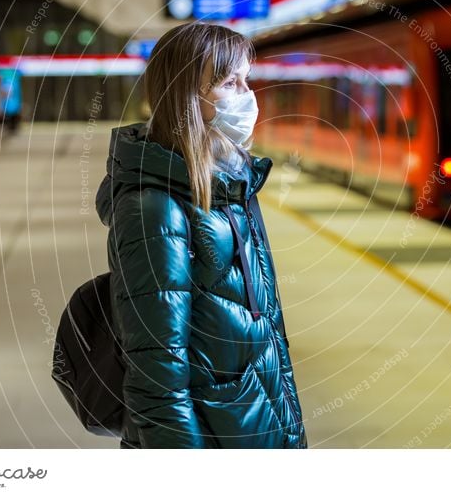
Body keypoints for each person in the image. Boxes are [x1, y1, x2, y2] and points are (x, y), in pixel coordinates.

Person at [95, 22, 308, 449]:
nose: (248, 95)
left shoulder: (229, 186)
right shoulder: (155, 208)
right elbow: (157, 377)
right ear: (186, 95)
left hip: (250, 424)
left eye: (247, 80)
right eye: (231, 82)